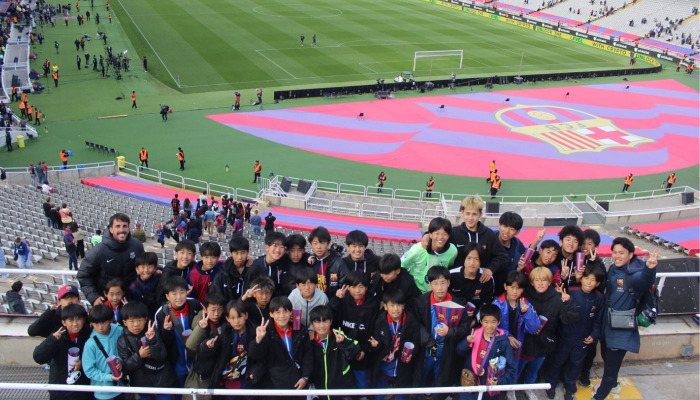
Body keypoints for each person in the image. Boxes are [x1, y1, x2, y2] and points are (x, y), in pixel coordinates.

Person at [592, 240, 659, 400]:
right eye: (615, 252)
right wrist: (596, 260)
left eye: (621, 253)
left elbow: (644, 279)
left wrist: (649, 268)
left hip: (622, 329)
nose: (617, 256)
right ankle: (614, 384)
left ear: (630, 255)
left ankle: (599, 396)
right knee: (606, 356)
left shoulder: (634, 274)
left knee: (610, 370)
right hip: (608, 325)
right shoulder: (614, 269)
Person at [544, 266, 604, 400]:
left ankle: (569, 388)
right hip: (565, 337)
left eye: (593, 280)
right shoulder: (571, 291)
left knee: (575, 365)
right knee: (557, 361)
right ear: (581, 279)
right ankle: (550, 384)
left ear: (597, 283)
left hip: (583, 340)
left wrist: (594, 335)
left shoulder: (599, 298)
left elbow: (599, 321)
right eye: (586, 278)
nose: (589, 282)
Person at [414, 266, 470, 397]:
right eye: (435, 283)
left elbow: (465, 327)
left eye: (443, 283)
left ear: (449, 283)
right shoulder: (421, 302)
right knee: (420, 376)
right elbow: (416, 324)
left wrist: (449, 331)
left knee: (441, 378)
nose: (440, 287)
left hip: (446, 350)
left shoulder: (457, 304)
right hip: (426, 348)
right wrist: (428, 341)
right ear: (430, 284)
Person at [518, 267, 578, 384]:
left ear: (550, 282)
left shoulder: (557, 298)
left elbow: (569, 320)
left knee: (534, 372)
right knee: (517, 371)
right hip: (525, 344)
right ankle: (513, 390)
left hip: (544, 343)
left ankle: (529, 388)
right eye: (537, 280)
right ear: (531, 282)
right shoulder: (524, 296)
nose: (540, 283)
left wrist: (568, 303)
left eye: (544, 280)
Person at [77, 213, 145, 306]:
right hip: (108, 302)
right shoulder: (98, 250)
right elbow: (83, 275)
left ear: (128, 228)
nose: (121, 230)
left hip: (130, 300)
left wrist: (157, 269)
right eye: (118, 226)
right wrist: (94, 297)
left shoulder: (136, 245)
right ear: (111, 229)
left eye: (124, 226)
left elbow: (145, 262)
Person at [248, 296, 312, 390]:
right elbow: (255, 356)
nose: (282, 316)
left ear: (291, 312)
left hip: (298, 381)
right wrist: (258, 339)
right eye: (277, 312)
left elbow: (308, 355)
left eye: (285, 311)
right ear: (271, 314)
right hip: (273, 383)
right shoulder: (265, 331)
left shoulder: (300, 330)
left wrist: (305, 377)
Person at [330, 270, 379, 389]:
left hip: (361, 354)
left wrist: (364, 350)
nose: (357, 290)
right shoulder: (341, 300)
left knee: (362, 385)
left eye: (361, 287)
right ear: (348, 287)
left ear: (366, 288)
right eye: (353, 287)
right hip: (342, 352)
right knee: (342, 386)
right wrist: (336, 299)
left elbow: (374, 330)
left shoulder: (373, 305)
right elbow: (327, 318)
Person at [32, 304, 92, 400]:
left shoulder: (90, 335)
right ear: (64, 322)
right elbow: (38, 357)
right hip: (60, 388)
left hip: (83, 389)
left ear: (84, 320)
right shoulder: (57, 336)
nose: (75, 324)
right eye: (70, 320)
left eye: (78, 319)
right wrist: (52, 340)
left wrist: (83, 362)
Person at [451, 196, 509, 295]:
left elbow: (502, 256)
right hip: (457, 284)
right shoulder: (454, 233)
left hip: (481, 285)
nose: (470, 218)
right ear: (462, 213)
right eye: (467, 213)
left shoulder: (488, 234)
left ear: (480, 215)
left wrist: (491, 269)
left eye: (474, 214)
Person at [118, 302, 177, 400]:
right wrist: (139, 355)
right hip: (141, 383)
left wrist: (152, 340)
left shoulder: (153, 331)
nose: (136, 325)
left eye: (139, 320)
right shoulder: (122, 340)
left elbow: (162, 356)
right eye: (131, 321)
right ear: (125, 322)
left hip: (163, 380)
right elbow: (126, 366)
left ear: (145, 320)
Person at [197, 299, 258, 393]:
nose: (237, 321)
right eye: (232, 318)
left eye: (240, 316)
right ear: (227, 318)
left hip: (247, 380)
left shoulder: (255, 332)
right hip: (227, 382)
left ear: (246, 315)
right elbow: (208, 347)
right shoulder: (222, 331)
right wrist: (208, 345)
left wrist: (254, 373)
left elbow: (260, 359)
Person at [457, 304, 516, 400]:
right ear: (481, 321)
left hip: (489, 388)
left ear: (499, 322)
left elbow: (511, 367)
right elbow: (459, 351)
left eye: (493, 322)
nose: (489, 326)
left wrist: (499, 381)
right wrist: (466, 342)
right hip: (470, 383)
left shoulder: (503, 342)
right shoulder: (473, 334)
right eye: (486, 322)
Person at [370, 289, 421, 399]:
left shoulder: (411, 321)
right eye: (392, 305)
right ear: (385, 307)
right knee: (378, 395)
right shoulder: (380, 321)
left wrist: (412, 353)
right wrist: (376, 345)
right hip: (384, 367)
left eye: (399, 305)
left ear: (404, 306)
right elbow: (377, 343)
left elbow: (416, 342)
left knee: (401, 395)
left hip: (402, 368)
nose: (396, 309)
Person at [155, 276, 204, 387]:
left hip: (196, 362)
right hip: (176, 364)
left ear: (187, 292)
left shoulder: (195, 305)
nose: (179, 297)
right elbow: (161, 343)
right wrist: (166, 330)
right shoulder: (161, 314)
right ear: (167, 296)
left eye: (182, 292)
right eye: (174, 294)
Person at [309, 304, 359, 397]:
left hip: (342, 390)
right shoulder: (309, 342)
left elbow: (355, 352)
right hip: (320, 392)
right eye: (317, 322)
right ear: (312, 323)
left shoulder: (339, 334)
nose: (322, 325)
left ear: (331, 321)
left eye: (325, 321)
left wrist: (342, 342)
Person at [185, 291, 227, 395]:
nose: (216, 314)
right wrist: (200, 328)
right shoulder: (199, 322)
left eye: (220, 310)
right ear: (205, 309)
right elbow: (190, 346)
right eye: (213, 310)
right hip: (203, 370)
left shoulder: (225, 322)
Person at [492, 271, 541, 362]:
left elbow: (534, 328)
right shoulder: (497, 304)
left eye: (519, 288)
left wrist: (526, 313)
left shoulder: (525, 304)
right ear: (505, 286)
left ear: (523, 290)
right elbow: (490, 326)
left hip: (516, 347)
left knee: (513, 369)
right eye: (512, 287)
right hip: (498, 344)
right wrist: (507, 336)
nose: (515, 292)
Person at [401, 217, 458, 293]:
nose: (440, 237)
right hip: (416, 291)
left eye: (444, 234)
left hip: (436, 293)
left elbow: (450, 264)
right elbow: (402, 265)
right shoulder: (417, 249)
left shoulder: (452, 251)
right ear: (430, 234)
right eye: (437, 233)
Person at [82, 304, 125, 400]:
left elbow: (125, 351)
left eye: (103, 323)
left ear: (110, 320)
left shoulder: (119, 331)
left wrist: (120, 360)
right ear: (91, 323)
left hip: (122, 388)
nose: (100, 327)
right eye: (96, 324)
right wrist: (109, 377)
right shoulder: (90, 344)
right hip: (103, 392)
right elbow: (89, 371)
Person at [449, 242, 494, 320]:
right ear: (464, 259)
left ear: (480, 261)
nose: (472, 263)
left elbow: (487, 305)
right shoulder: (451, 275)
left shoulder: (487, 278)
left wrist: (475, 320)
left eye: (476, 259)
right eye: (469, 258)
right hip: (453, 316)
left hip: (477, 319)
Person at [247, 232, 293, 297]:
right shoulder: (256, 267)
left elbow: (301, 254)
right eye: (275, 246)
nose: (278, 250)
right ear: (267, 248)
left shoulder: (285, 260)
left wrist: (307, 257)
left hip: (280, 301)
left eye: (282, 247)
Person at [310, 226, 349, 299]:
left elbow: (344, 287)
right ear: (311, 244)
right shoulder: (310, 262)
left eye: (322, 243)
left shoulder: (338, 263)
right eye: (315, 243)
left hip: (333, 303)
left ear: (328, 243)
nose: (318, 247)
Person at [211, 236, 250, 302]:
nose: (240, 257)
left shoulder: (253, 269)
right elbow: (215, 294)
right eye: (236, 253)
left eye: (243, 253)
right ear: (231, 253)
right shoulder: (223, 272)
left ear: (248, 252)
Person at [343, 229, 380, 295]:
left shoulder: (377, 261)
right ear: (348, 247)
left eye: (361, 246)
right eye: (354, 246)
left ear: (365, 247)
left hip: (371, 299)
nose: (357, 249)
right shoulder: (343, 263)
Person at [128, 252, 161, 318]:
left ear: (155, 268)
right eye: (142, 267)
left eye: (150, 267)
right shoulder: (133, 287)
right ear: (137, 269)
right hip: (143, 317)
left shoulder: (160, 279)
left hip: (159, 316)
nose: (146, 270)